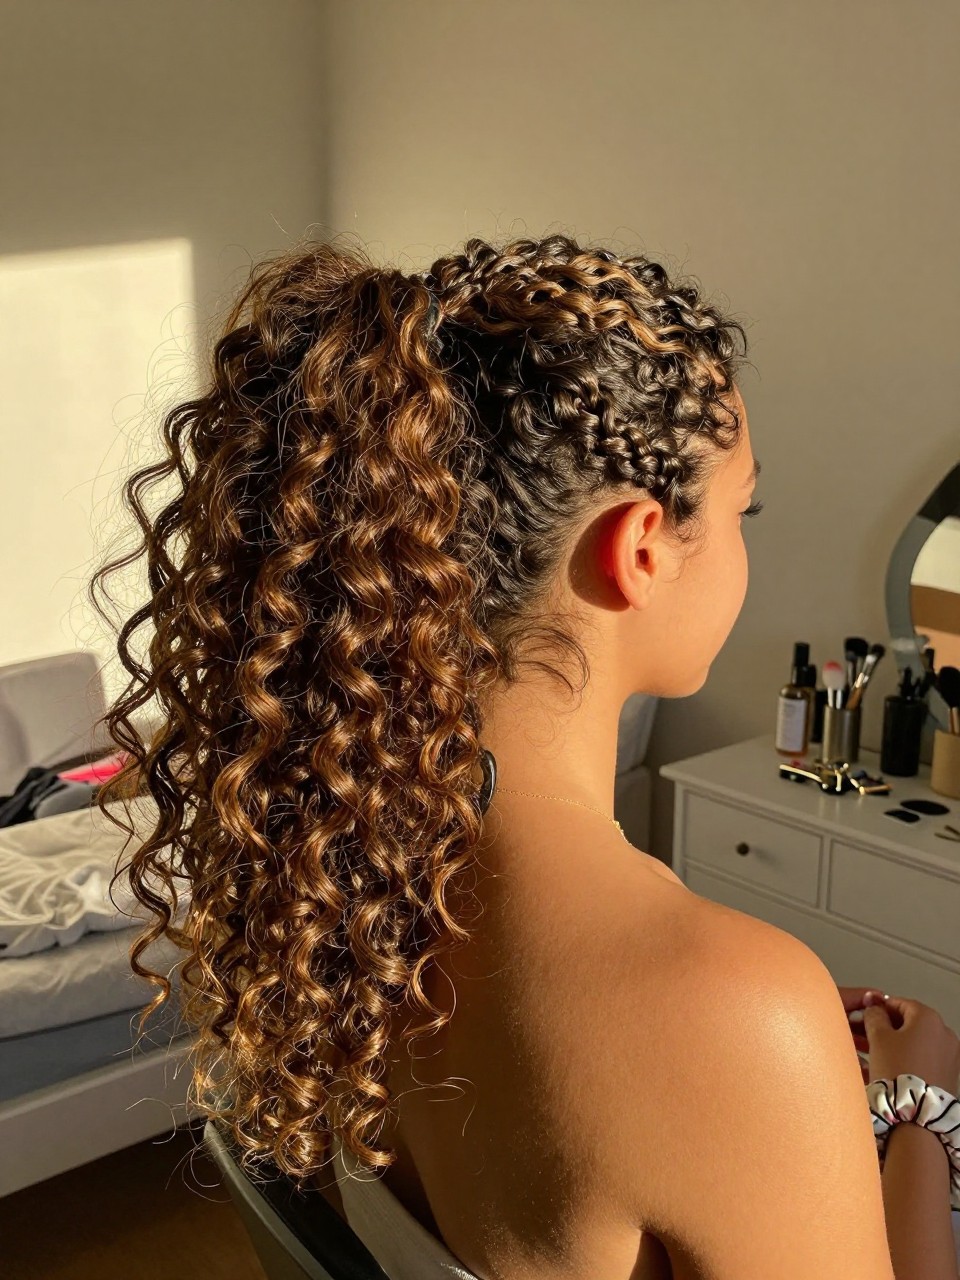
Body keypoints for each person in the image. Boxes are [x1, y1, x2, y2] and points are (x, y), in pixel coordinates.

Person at [90, 233, 960, 1279]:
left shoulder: (345, 867)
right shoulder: (736, 1009)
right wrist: (921, 1108)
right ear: (639, 548)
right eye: (744, 509)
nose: (745, 547)